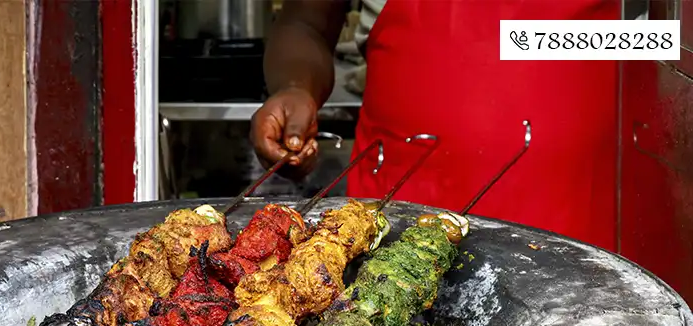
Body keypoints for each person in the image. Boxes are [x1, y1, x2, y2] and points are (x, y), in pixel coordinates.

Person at [250, 0, 619, 251]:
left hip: (586, 218)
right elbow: (307, 22)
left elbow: (663, 39)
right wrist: (296, 88)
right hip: (401, 219)